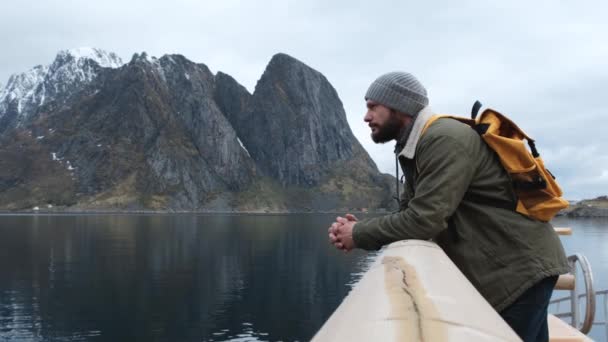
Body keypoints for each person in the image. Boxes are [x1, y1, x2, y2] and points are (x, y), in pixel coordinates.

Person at [328, 72, 570, 342]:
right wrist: (357, 230)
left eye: (373, 106)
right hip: (512, 269)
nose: (366, 116)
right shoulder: (417, 145)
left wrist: (357, 233)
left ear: (398, 106)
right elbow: (410, 213)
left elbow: (423, 220)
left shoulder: (443, 140)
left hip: (520, 271)